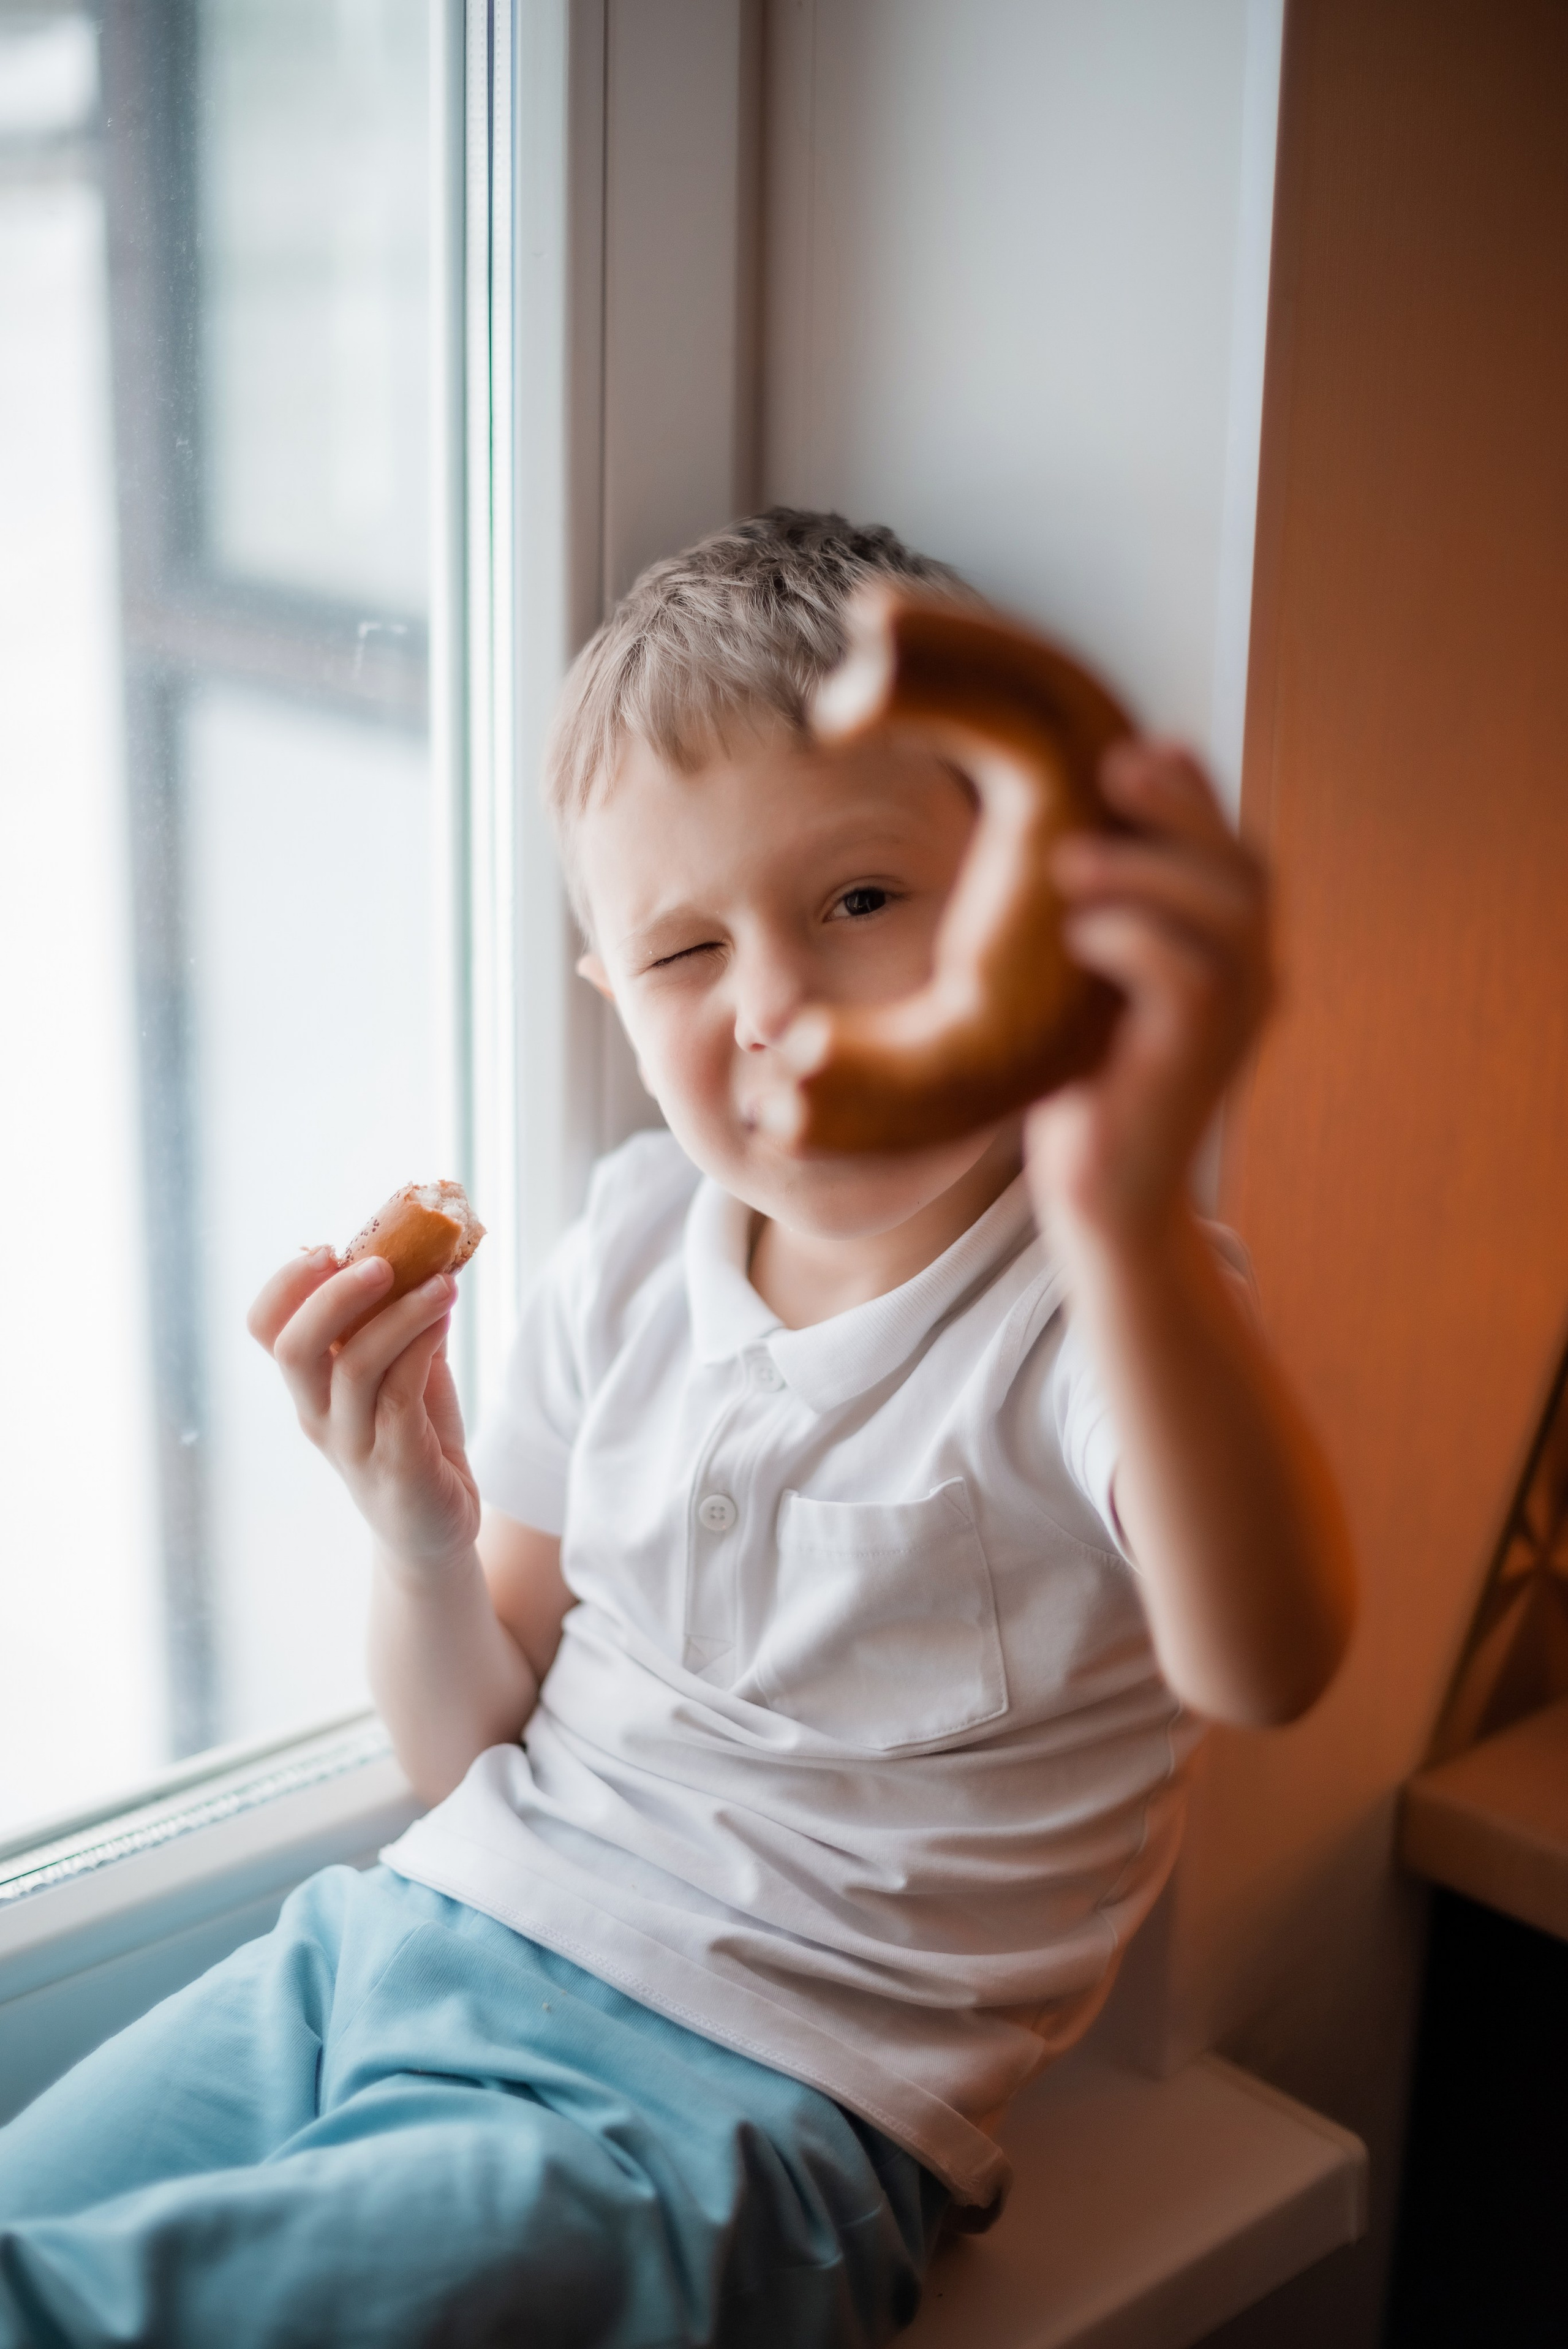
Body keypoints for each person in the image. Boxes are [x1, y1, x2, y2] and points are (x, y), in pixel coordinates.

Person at [0, 511, 1354, 2349]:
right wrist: (416, 1529)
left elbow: (1265, 1655)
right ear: (617, 1004)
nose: (775, 1003)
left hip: (743, 2115)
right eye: (686, 948)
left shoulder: (1097, 1297)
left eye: (859, 901)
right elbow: (465, 1748)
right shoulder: (636, 1239)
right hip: (393, 1946)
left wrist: (1118, 1215)